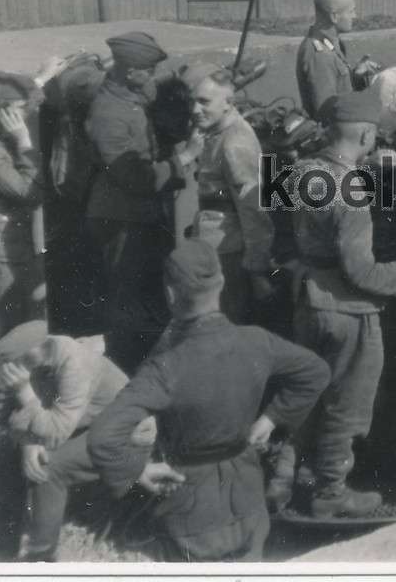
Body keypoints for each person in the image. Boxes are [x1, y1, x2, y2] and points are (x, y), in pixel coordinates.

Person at [87, 240, 330, 561]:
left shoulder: (165, 367)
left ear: (170, 294)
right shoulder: (257, 341)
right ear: (222, 282)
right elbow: (316, 371)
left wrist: (137, 471)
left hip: (189, 512)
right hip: (248, 499)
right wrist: (270, 419)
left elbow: (103, 436)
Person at [279, 90, 396, 518]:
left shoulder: (305, 172)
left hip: (308, 297)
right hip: (348, 309)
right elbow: (361, 273)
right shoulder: (352, 192)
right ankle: (330, 491)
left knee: (310, 395)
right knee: (347, 406)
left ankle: (283, 475)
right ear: (363, 135)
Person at [84, 32, 203, 374]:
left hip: (143, 214)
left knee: (148, 292)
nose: (152, 76)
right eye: (148, 70)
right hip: (120, 218)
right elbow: (135, 178)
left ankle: (148, 363)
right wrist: (186, 156)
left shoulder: (130, 91)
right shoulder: (108, 114)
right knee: (126, 299)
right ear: (129, 70)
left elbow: (157, 91)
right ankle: (124, 371)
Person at [0, 321, 150, 562]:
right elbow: (9, 415)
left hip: (126, 435)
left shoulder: (76, 366)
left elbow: (56, 433)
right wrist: (28, 441)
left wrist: (25, 393)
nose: (9, 371)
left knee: (48, 466)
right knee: (8, 446)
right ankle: (0, 548)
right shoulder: (39, 358)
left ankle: (42, 557)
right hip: (83, 424)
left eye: (14, 365)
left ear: (34, 356)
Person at [0, 62, 66, 433]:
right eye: (21, 110)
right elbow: (30, 193)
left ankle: (4, 402)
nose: (27, 115)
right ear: (2, 109)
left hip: (9, 242)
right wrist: (24, 143)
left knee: (17, 328)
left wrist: (40, 78)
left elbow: (24, 99)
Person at [182, 65, 276, 326]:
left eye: (204, 102)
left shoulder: (234, 143)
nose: (195, 110)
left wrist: (257, 270)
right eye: (191, 102)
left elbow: (253, 209)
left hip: (230, 252)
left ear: (228, 103)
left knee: (226, 324)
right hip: (217, 245)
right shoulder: (217, 130)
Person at [296, 0, 360, 119]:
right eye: (351, 11)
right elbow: (326, 112)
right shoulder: (319, 54)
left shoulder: (329, 42)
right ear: (334, 16)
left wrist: (355, 76)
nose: (355, 16)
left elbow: (337, 82)